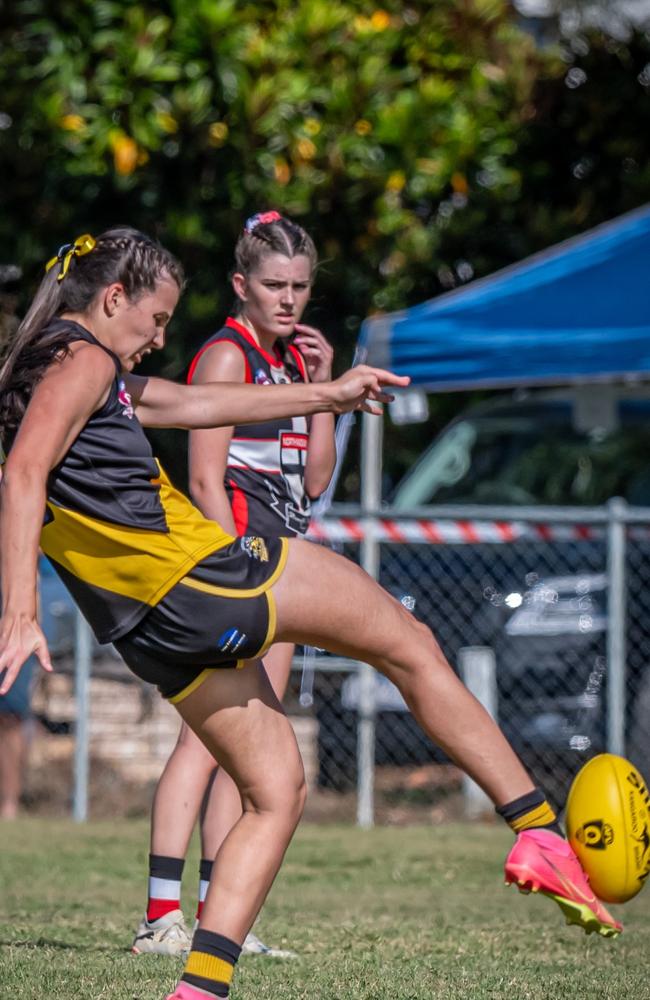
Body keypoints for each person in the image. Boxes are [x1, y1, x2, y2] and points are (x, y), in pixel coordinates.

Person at [0, 228, 620, 1000]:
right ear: (113, 298)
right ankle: (537, 831)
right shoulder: (85, 357)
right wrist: (20, 609)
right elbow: (24, 473)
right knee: (408, 641)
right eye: (155, 320)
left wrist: (327, 394)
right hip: (207, 578)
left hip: (151, 631)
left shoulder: (43, 372)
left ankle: (198, 989)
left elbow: (192, 403)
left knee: (276, 789)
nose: (160, 338)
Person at [132, 211, 335, 959]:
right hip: (240, 567)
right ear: (241, 285)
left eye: (301, 287)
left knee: (255, 746)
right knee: (205, 741)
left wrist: (321, 387)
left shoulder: (290, 362)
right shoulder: (226, 356)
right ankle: (160, 919)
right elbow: (204, 478)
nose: (288, 300)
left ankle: (225, 917)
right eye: (274, 285)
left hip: (281, 561)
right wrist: (231, 574)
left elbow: (314, 480)